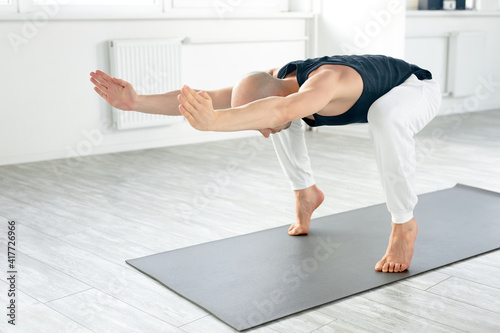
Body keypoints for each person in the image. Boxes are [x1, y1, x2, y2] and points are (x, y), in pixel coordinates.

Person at [90, 54, 441, 273]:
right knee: (284, 118)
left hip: (414, 88)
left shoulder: (325, 81)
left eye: (259, 127)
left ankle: (403, 225)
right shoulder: (274, 80)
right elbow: (207, 98)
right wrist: (136, 103)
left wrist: (214, 124)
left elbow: (282, 110)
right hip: (293, 99)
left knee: (383, 115)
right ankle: (307, 193)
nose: (262, 135)